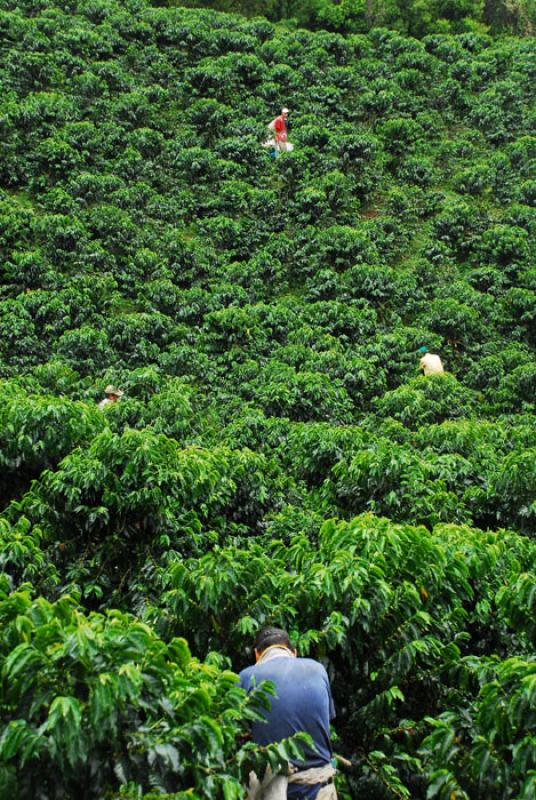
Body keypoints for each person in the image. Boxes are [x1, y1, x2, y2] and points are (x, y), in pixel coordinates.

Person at [239, 627, 336, 799]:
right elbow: (324, 720)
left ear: (257, 654)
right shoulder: (318, 669)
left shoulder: (245, 677)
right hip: (320, 789)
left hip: (274, 792)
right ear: (294, 652)